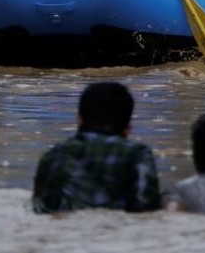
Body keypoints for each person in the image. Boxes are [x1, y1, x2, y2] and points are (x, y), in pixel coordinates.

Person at [32, 82, 161, 214]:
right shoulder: (138, 154)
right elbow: (147, 206)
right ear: (128, 127)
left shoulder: (54, 155)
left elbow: (39, 208)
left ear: (79, 120)